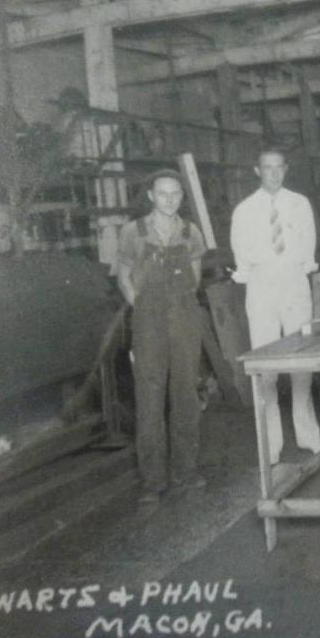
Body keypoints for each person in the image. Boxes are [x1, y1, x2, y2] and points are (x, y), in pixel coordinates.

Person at [117, 170, 207, 504]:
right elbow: (124, 277)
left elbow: (195, 279)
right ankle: (153, 481)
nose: (170, 200)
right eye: (163, 194)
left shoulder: (190, 231)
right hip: (148, 321)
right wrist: (141, 309)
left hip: (184, 317)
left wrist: (177, 309)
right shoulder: (133, 232)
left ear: (182, 196)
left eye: (176, 194)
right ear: (151, 196)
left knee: (185, 394)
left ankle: (186, 471)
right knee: (150, 397)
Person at [230, 146, 320, 465]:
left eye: (278, 167)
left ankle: (308, 435)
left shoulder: (300, 204)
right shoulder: (243, 210)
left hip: (295, 281)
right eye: (266, 167)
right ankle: (271, 445)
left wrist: (299, 269)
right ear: (257, 170)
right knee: (266, 364)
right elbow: (240, 256)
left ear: (286, 169)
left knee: (302, 359)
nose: (273, 173)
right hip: (261, 285)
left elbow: (308, 245)